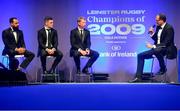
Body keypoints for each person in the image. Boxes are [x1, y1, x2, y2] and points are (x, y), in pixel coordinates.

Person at [130, 13, 176, 82]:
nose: (156, 22)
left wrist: (152, 46)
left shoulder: (169, 28)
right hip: (157, 49)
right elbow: (158, 40)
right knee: (140, 55)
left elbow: (166, 43)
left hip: (167, 49)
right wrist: (152, 33)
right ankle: (138, 77)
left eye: (157, 20)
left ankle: (163, 68)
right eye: (156, 20)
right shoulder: (158, 27)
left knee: (157, 50)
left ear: (162, 20)